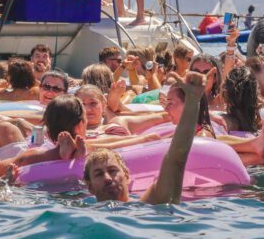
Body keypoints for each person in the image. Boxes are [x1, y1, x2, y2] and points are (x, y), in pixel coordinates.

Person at [84, 72, 205, 204]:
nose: (107, 178)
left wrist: (193, 102)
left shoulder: (150, 202)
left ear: (127, 176)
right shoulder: (83, 213)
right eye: (98, 174)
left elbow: (177, 159)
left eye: (113, 171)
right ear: (89, 186)